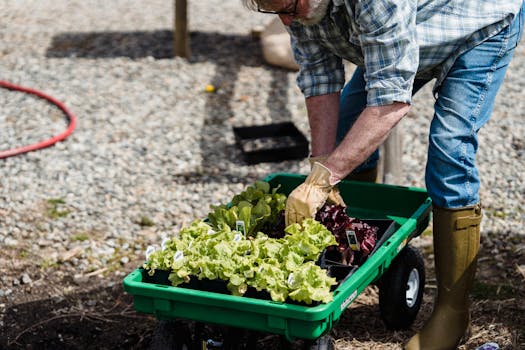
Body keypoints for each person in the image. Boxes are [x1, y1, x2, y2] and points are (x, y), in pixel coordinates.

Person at [242, 0, 524, 349]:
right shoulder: (294, 5)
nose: (284, 19)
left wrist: (323, 179)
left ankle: (453, 312)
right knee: (348, 132)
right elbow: (319, 76)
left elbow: (391, 100)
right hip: (409, 29)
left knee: (450, 149)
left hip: (477, 23)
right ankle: (356, 254)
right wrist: (322, 164)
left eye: (288, 7)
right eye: (272, 10)